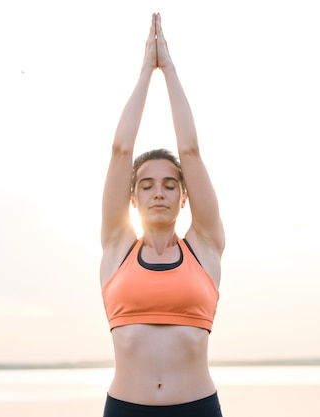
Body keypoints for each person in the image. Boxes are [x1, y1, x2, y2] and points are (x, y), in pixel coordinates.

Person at [100, 13, 225, 417]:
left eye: (171, 185)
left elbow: (189, 149)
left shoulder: (204, 247)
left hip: (197, 409)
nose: (159, 192)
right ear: (132, 198)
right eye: (147, 185)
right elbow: (121, 150)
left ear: (184, 196)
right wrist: (144, 73)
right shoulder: (116, 247)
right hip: (125, 409)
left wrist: (167, 69)